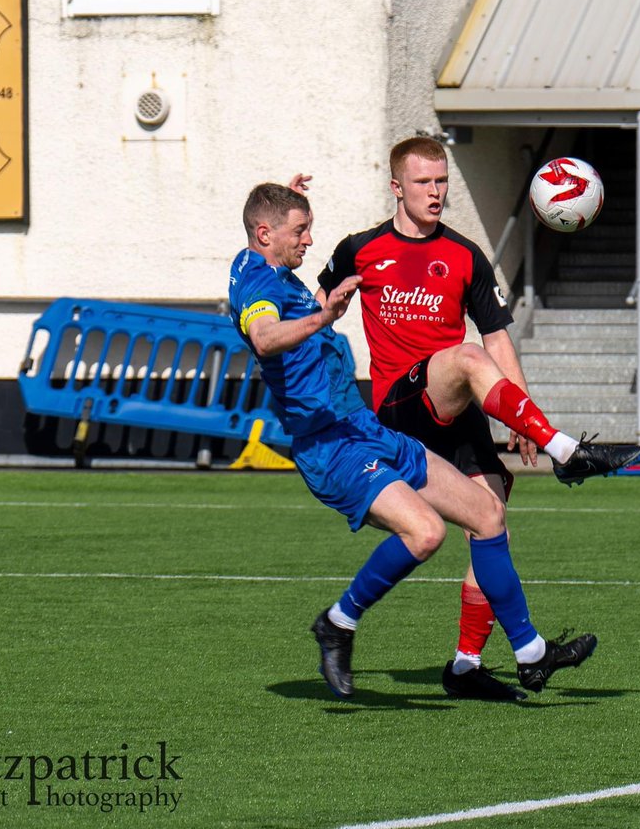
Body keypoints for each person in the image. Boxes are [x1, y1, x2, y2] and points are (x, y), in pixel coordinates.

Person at [229, 181, 597, 700]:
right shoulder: (254, 287)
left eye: (308, 228)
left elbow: (268, 227)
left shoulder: (267, 264)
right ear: (264, 233)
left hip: (367, 429)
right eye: (300, 230)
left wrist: (284, 198)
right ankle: (338, 622)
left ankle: (530, 654)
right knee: (425, 533)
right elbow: (265, 337)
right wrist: (325, 317)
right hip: (332, 449)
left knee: (487, 515)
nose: (309, 240)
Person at [314, 138, 640, 701]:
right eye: (423, 183)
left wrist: (521, 414)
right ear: (397, 187)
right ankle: (569, 453)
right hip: (401, 405)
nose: (436, 192)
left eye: (442, 181)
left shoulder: (465, 255)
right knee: (465, 356)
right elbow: (315, 308)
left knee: (490, 526)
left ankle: (469, 666)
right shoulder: (359, 249)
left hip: (460, 413)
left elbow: (498, 337)